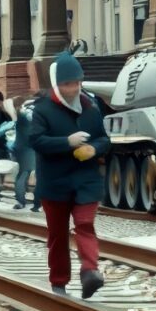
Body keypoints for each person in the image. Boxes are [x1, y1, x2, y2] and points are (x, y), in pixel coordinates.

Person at [28, 52, 109, 297]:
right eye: (67, 84)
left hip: (86, 180)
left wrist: (94, 148)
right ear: (57, 84)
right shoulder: (43, 110)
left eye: (76, 83)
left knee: (85, 224)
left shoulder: (91, 108)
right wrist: (67, 142)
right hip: (55, 182)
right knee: (58, 234)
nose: (73, 88)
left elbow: (104, 138)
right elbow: (36, 140)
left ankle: (90, 271)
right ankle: (59, 281)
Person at [8, 86, 43, 210]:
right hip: (31, 147)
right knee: (31, 174)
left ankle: (23, 201)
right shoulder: (35, 112)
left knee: (24, 174)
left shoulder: (24, 111)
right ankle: (34, 203)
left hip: (24, 147)